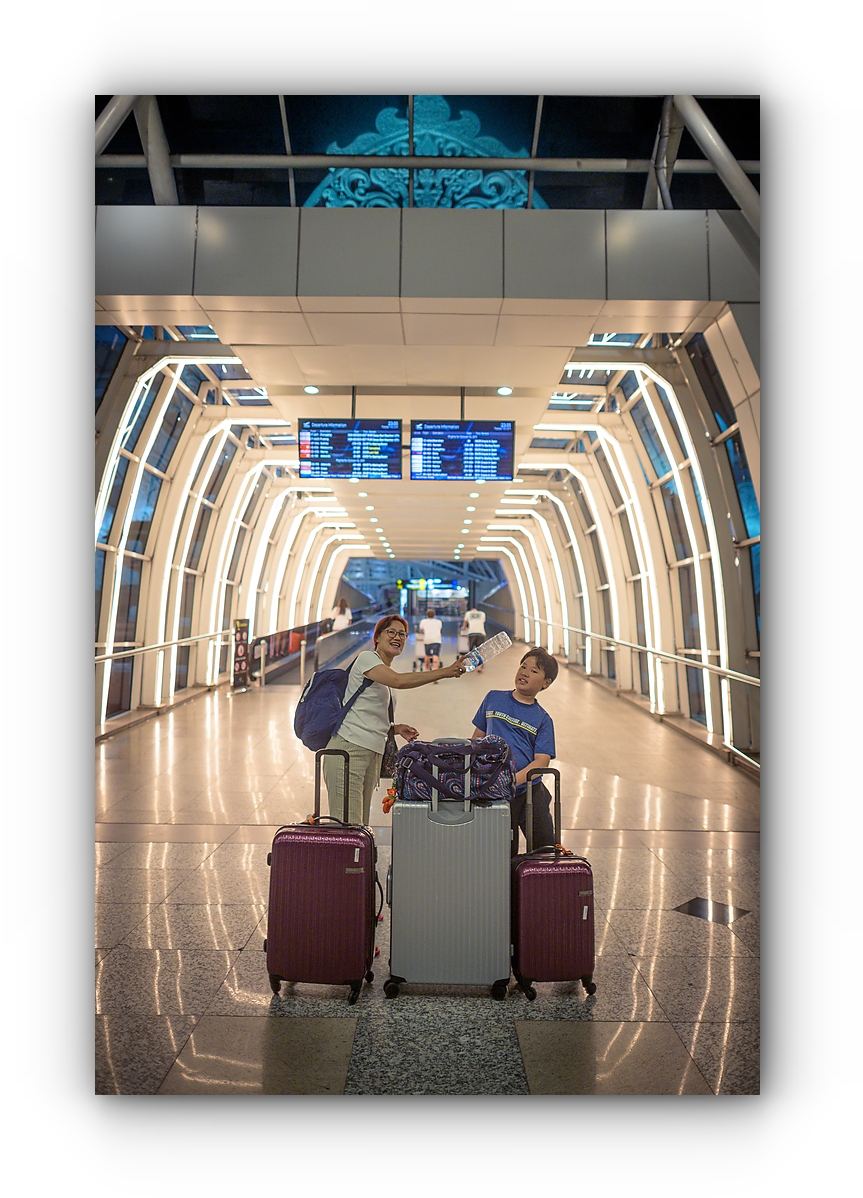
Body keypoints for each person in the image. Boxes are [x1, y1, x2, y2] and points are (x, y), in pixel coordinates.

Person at [323, 614, 467, 825]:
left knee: (359, 825)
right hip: (349, 749)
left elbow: (367, 709)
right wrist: (445, 672)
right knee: (347, 828)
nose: (397, 637)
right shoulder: (366, 658)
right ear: (377, 637)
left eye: (402, 634)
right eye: (391, 632)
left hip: (371, 752)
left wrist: (393, 728)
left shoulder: (384, 671)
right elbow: (399, 681)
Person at [469, 647, 559, 857]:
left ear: (546, 683)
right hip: (494, 792)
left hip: (529, 792)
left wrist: (510, 782)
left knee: (544, 849)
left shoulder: (543, 719)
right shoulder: (493, 698)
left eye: (534, 671)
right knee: (501, 853)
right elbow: (476, 740)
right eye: (523, 666)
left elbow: (541, 762)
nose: (524, 673)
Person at [460, 605, 487, 671]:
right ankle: (479, 667)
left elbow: (465, 623)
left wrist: (463, 628)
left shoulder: (468, 613)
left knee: (471, 650)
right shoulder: (482, 613)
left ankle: (471, 665)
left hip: (472, 633)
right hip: (481, 633)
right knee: (480, 650)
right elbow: (483, 622)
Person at [418, 607, 443, 675]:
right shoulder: (439, 622)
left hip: (427, 640)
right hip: (437, 640)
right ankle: (435, 671)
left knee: (427, 655)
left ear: (426, 615)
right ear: (434, 615)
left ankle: (427, 670)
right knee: (435, 655)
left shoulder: (423, 621)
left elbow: (421, 630)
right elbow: (440, 629)